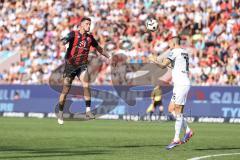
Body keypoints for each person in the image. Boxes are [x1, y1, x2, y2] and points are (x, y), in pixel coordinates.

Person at [57, 17, 110, 125]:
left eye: (89, 24)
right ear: (81, 25)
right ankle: (61, 112)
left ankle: (88, 111)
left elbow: (99, 49)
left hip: (82, 66)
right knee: (65, 91)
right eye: (86, 24)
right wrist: (64, 42)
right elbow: (64, 40)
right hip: (70, 66)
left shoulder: (90, 37)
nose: (89, 26)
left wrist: (110, 56)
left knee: (86, 84)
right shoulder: (73, 34)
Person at [150, 36, 193, 150]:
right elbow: (174, 66)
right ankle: (187, 130)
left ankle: (176, 139)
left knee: (178, 111)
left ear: (173, 43)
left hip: (181, 84)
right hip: (181, 83)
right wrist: (159, 61)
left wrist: (154, 60)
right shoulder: (184, 52)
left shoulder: (174, 51)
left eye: (169, 44)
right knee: (171, 108)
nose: (169, 46)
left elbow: (163, 65)